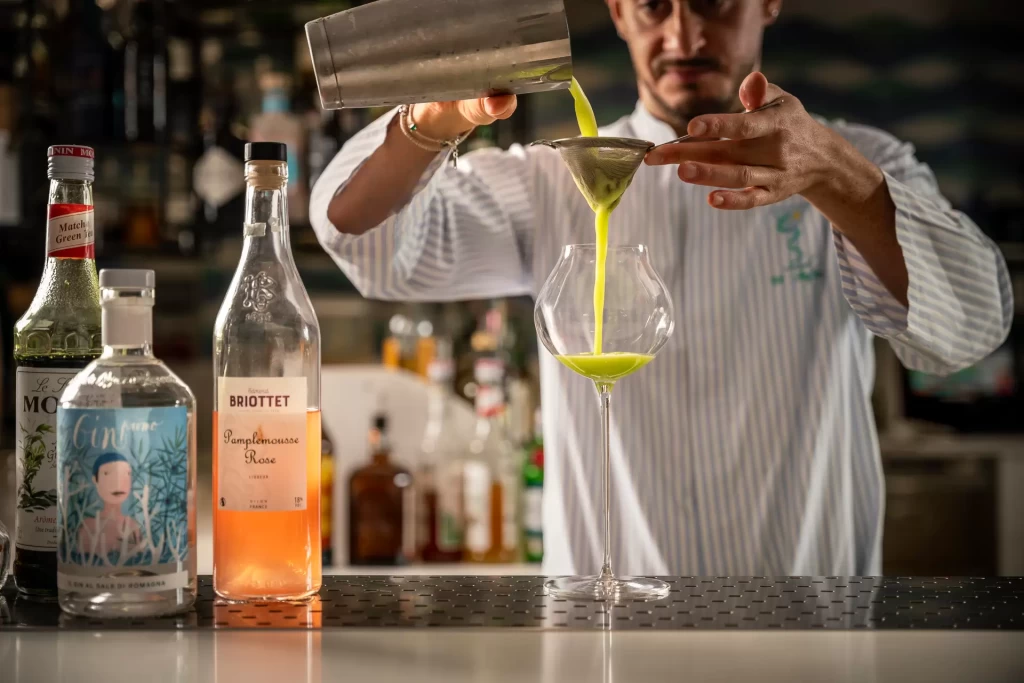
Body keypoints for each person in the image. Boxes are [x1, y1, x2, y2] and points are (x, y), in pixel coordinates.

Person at [310, 0, 1012, 575]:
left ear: (768, 4)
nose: (683, 35)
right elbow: (365, 243)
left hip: (811, 628)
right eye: (652, 5)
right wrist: (429, 121)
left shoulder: (855, 165)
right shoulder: (549, 180)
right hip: (607, 641)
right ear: (618, 12)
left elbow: (972, 326)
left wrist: (840, 180)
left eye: (712, 3)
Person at [77, 452, 141, 559]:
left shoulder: (133, 526)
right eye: (107, 473)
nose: (117, 482)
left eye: (126, 474)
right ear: (95, 480)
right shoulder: (88, 527)